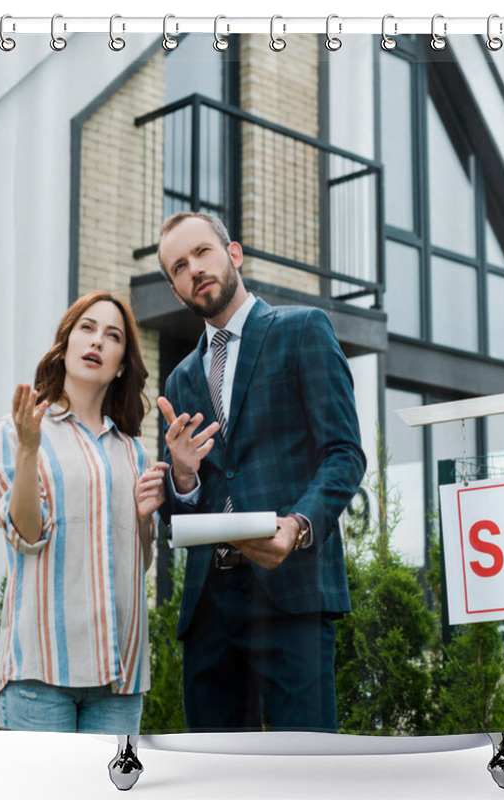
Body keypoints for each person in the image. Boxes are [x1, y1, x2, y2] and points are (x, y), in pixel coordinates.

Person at [156, 211, 366, 733]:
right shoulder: (180, 379)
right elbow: (189, 496)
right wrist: (182, 477)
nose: (194, 269)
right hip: (210, 607)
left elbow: (344, 454)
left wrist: (295, 528)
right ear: (177, 290)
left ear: (234, 254)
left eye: (202, 252)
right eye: (179, 267)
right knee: (216, 778)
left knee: (309, 773)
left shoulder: (303, 331)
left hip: (291, 588)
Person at [0, 291, 167, 733]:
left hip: (118, 682)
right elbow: (27, 537)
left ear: (122, 362)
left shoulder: (132, 453)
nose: (97, 342)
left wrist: (144, 521)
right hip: (41, 679)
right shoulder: (18, 431)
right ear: (65, 343)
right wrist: (29, 454)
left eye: (113, 336)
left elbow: (137, 563)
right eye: (86, 328)